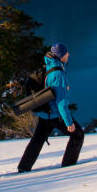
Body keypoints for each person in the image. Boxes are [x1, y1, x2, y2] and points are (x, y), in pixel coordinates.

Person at [17, 43, 84, 172]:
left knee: (38, 139)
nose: (68, 54)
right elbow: (61, 102)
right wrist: (68, 122)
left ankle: (23, 167)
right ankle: (68, 166)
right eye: (66, 53)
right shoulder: (58, 74)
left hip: (45, 113)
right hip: (54, 114)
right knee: (78, 134)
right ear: (60, 55)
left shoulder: (50, 66)